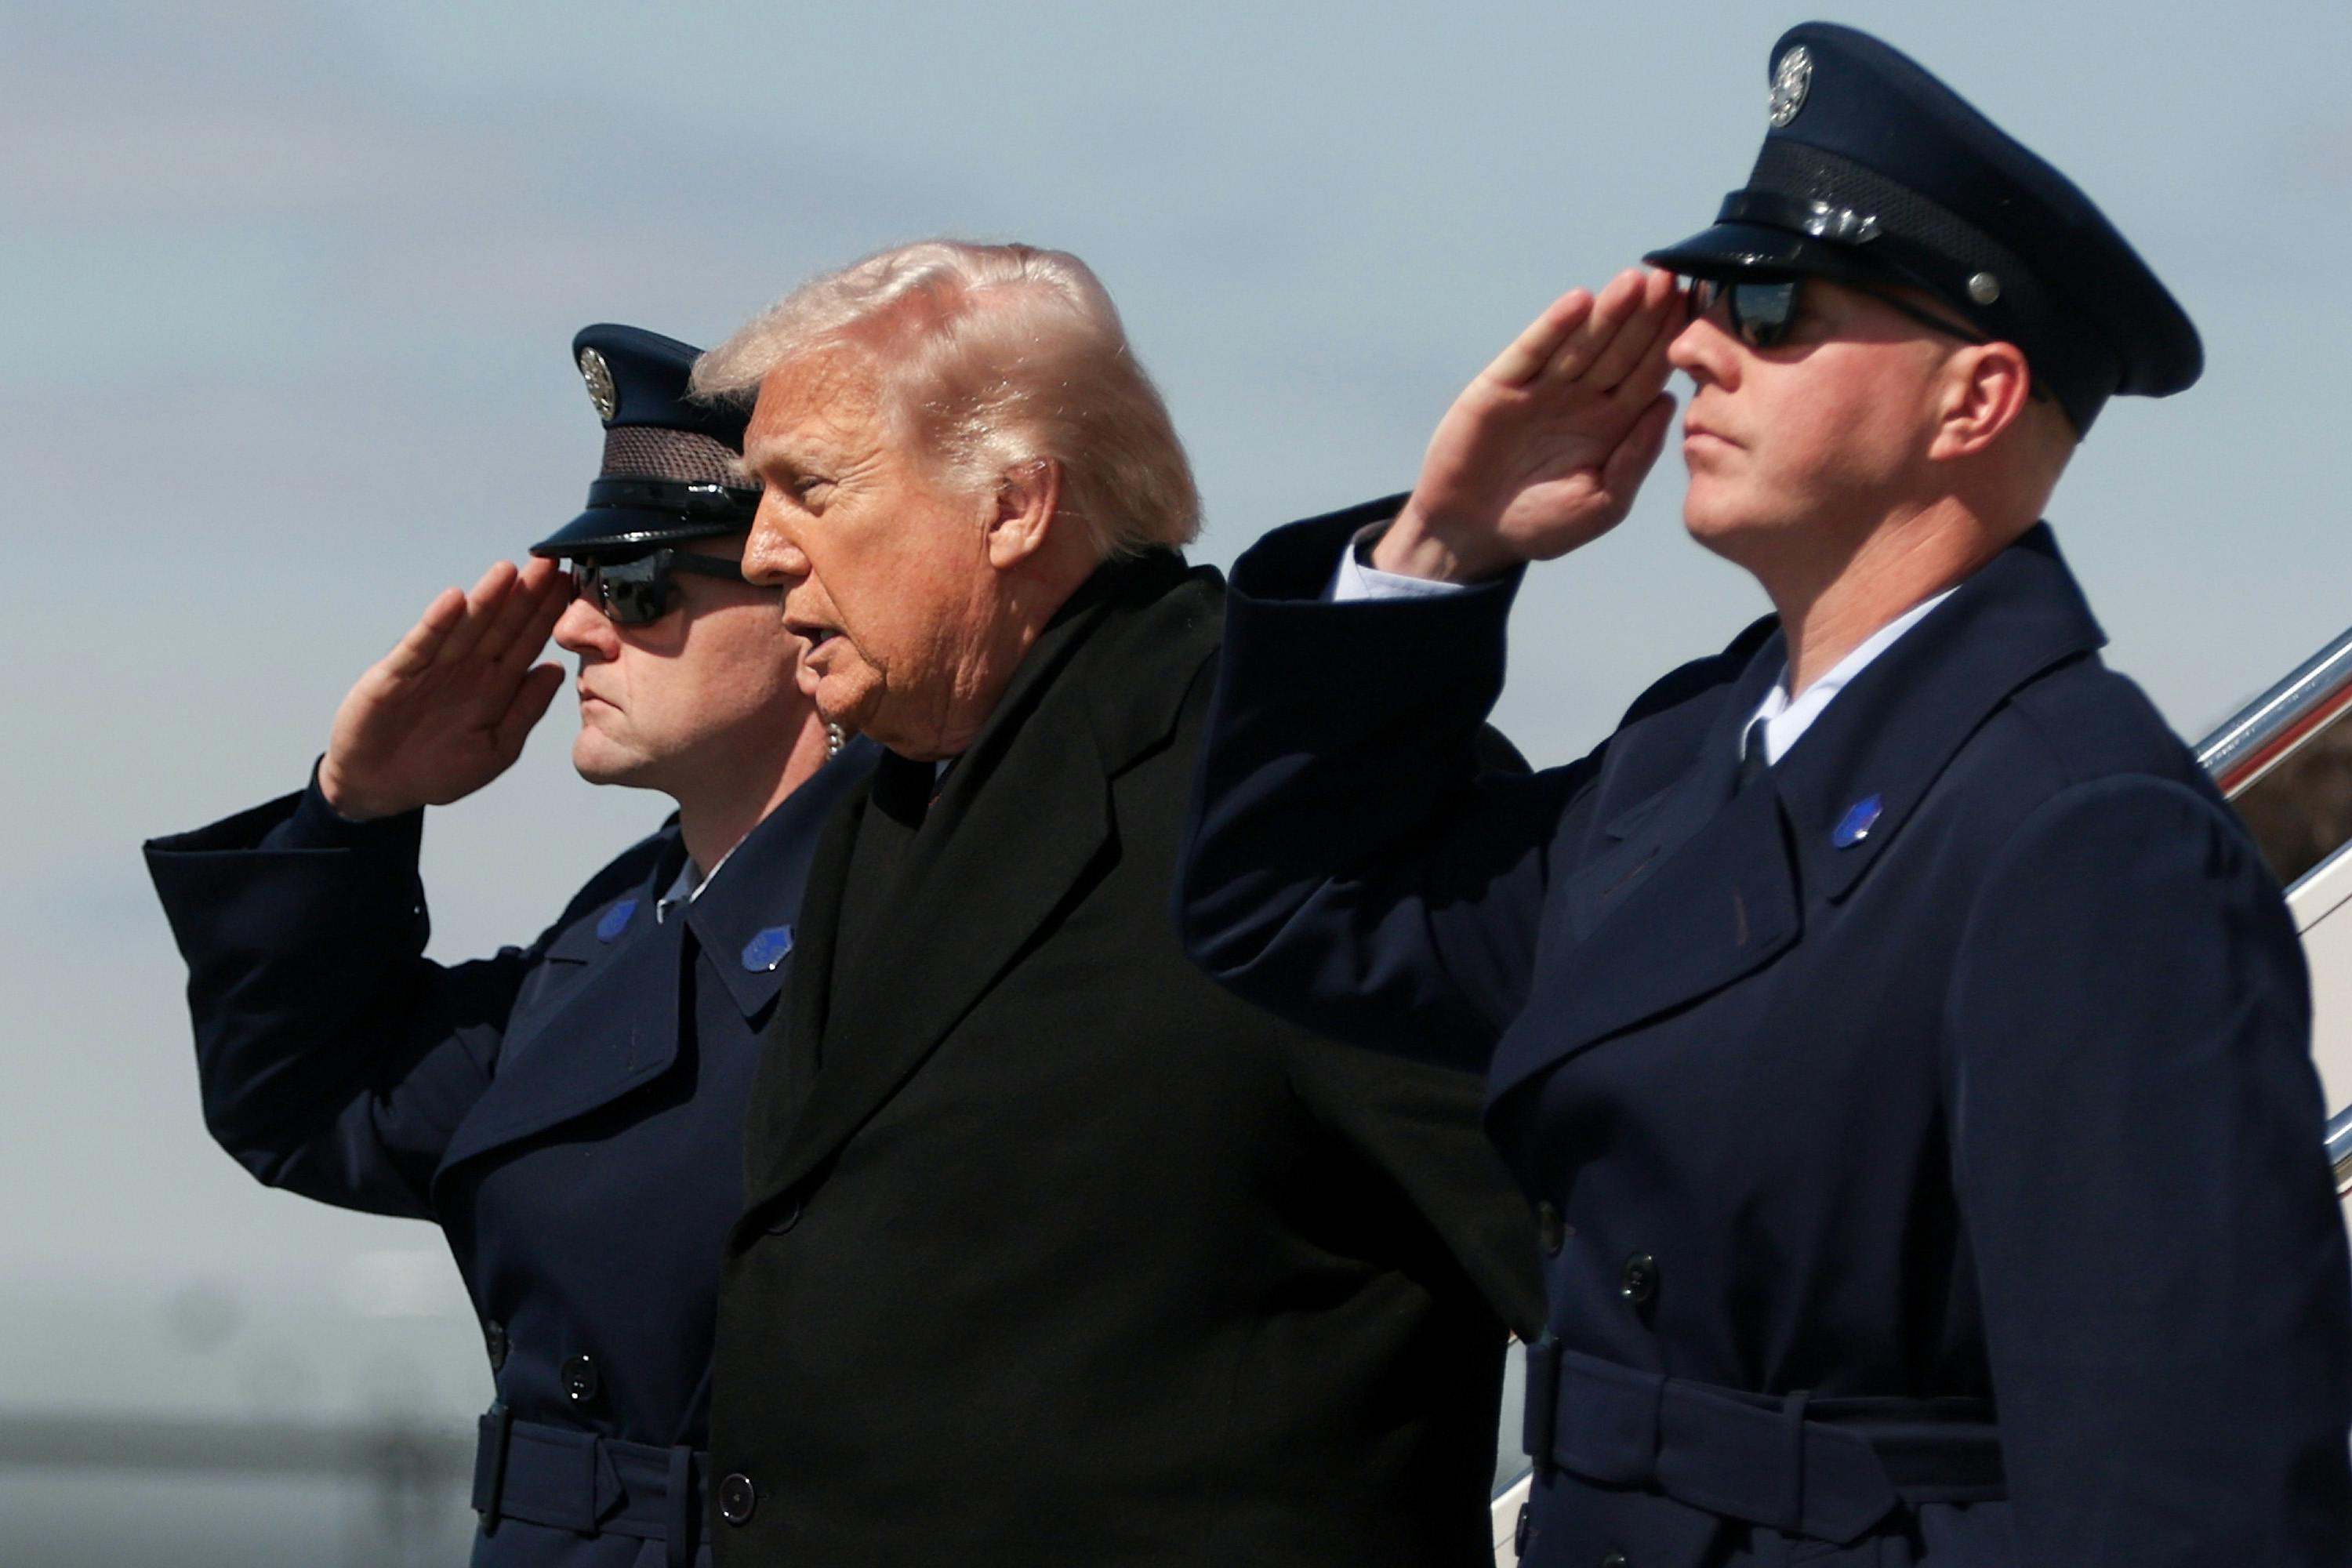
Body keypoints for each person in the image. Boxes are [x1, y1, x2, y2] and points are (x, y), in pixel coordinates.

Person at [1178, 23, 2352, 1568]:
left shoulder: (2087, 835)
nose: (1694, 347)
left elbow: (2186, 1502)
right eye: (1716, 295)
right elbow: (1301, 907)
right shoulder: (1693, 758)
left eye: (1776, 305)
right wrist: (1442, 550)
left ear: (1976, 399)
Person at [686, 241, 1544, 1567]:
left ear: (1016, 504)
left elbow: (1611, 1258)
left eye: (811, 488)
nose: (759, 554)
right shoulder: (901, 792)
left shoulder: (1289, 788)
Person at [143, 325, 877, 1568]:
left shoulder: (918, 917)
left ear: (806, 597)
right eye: (586, 589)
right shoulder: (633, 918)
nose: (582, 633)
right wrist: (354, 814)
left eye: (639, 590)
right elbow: (307, 1106)